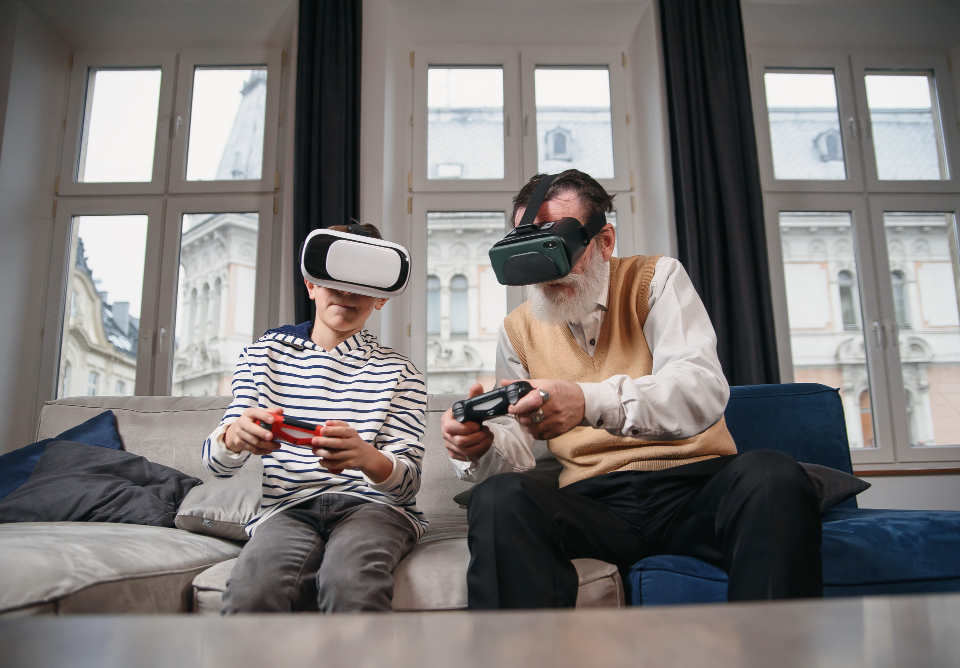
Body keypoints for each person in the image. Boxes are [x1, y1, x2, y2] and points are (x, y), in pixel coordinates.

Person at [441, 170, 822, 609]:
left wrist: (586, 401)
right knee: (497, 498)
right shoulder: (518, 330)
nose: (548, 271)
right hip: (593, 502)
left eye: (559, 247)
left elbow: (698, 388)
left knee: (773, 474)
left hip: (693, 490)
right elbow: (517, 452)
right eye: (531, 252)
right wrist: (477, 447)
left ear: (604, 241)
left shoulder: (654, 278)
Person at [202, 223, 427, 613]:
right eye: (334, 279)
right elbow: (214, 464)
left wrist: (366, 457)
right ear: (310, 284)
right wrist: (234, 437)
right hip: (288, 509)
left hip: (374, 508)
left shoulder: (401, 372)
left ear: (381, 298)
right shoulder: (261, 358)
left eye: (362, 283)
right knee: (253, 591)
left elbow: (406, 488)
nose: (347, 291)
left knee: (350, 581)